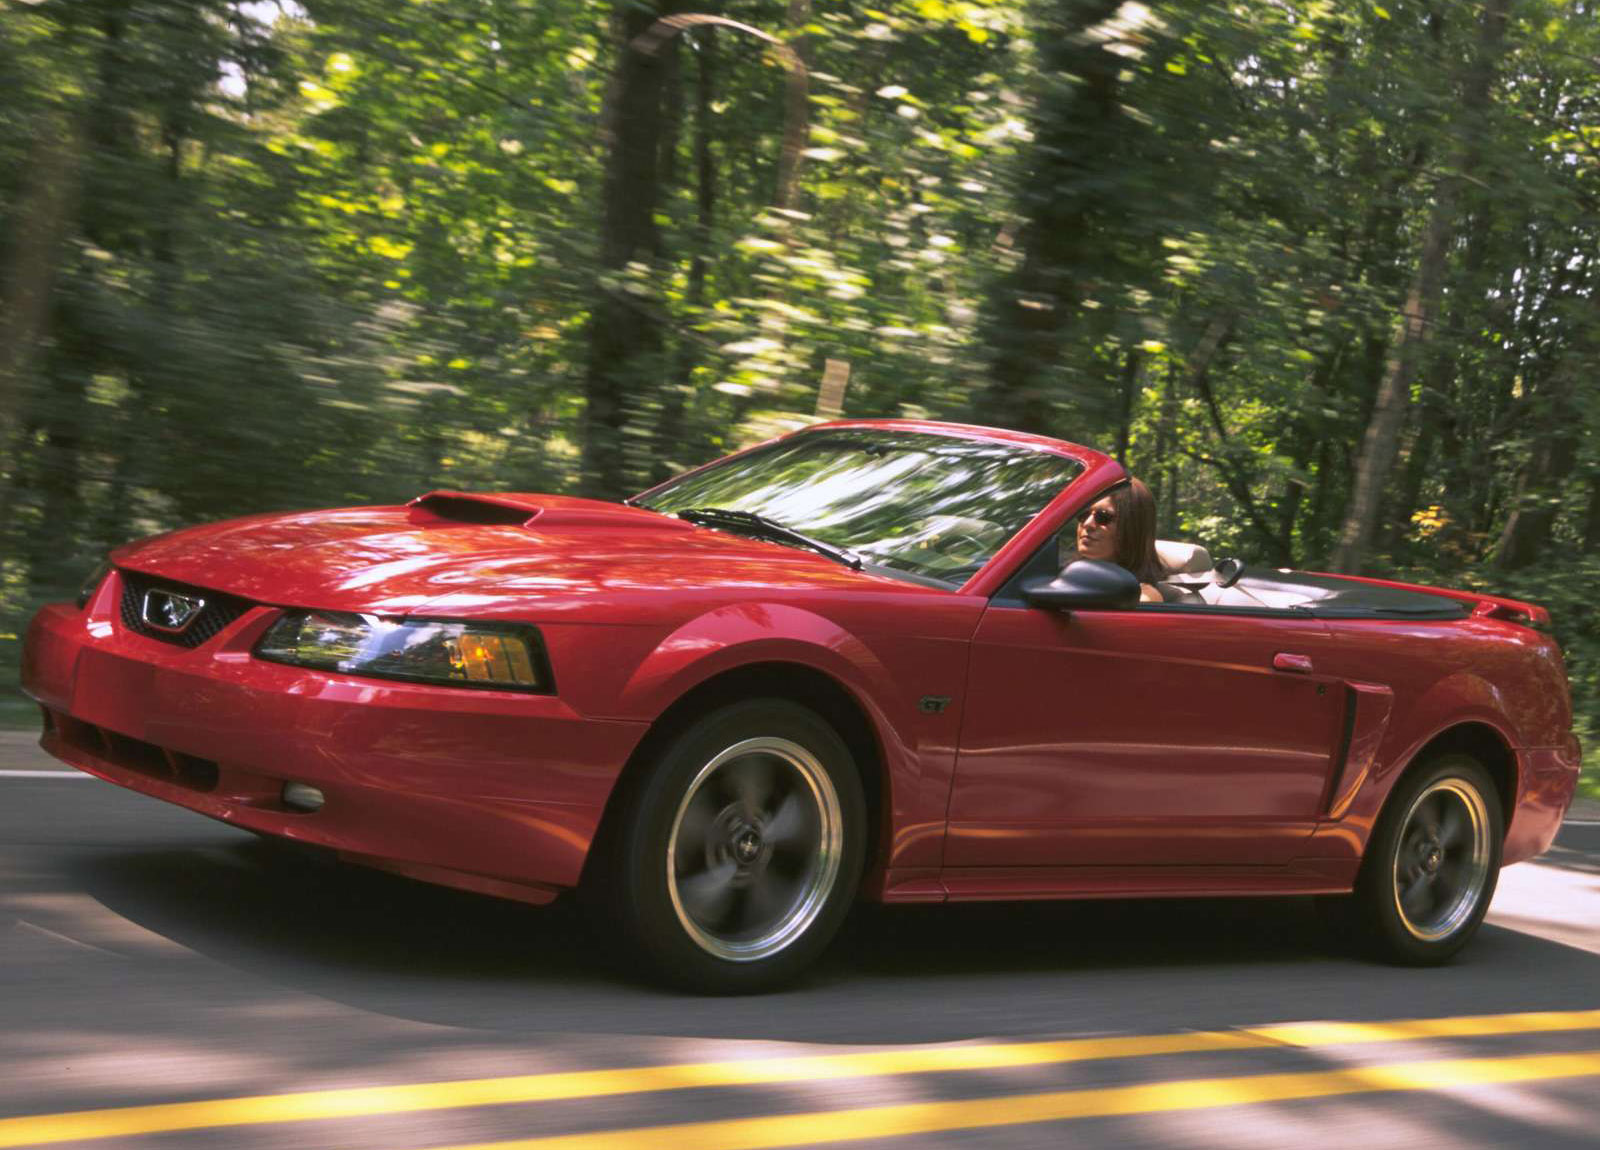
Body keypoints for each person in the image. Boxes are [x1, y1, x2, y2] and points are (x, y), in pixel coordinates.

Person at [1074, 479, 1165, 603]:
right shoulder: (1065, 576)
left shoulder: (1142, 597)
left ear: (1133, 527)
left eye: (1103, 517)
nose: (1087, 524)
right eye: (1083, 514)